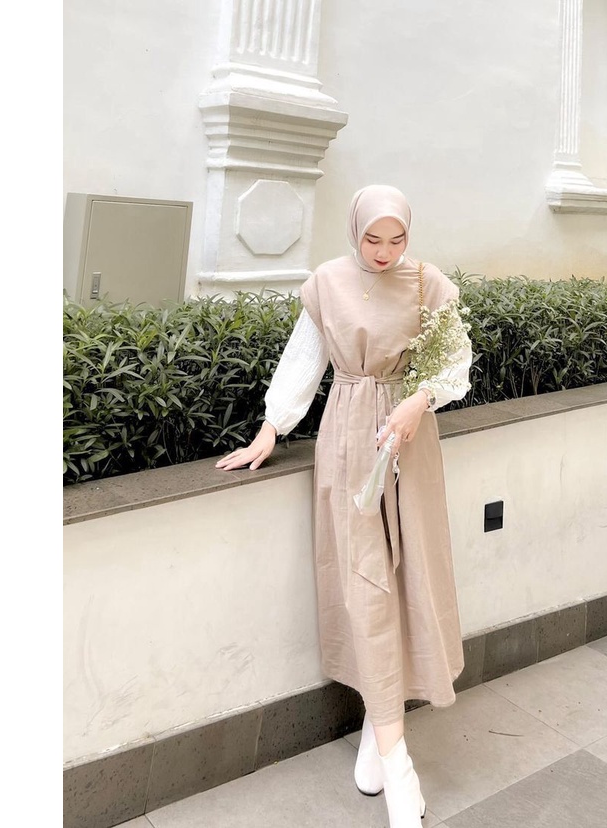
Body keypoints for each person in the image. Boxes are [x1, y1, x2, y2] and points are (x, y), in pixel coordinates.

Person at [216, 184, 472, 828]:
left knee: (408, 581)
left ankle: (377, 728)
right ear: (354, 231)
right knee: (363, 587)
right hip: (349, 440)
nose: (384, 251)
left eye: (397, 238)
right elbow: (302, 363)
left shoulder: (429, 284)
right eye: (372, 238)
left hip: (409, 447)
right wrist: (270, 430)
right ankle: (398, 763)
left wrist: (418, 401)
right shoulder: (327, 282)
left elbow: (455, 365)